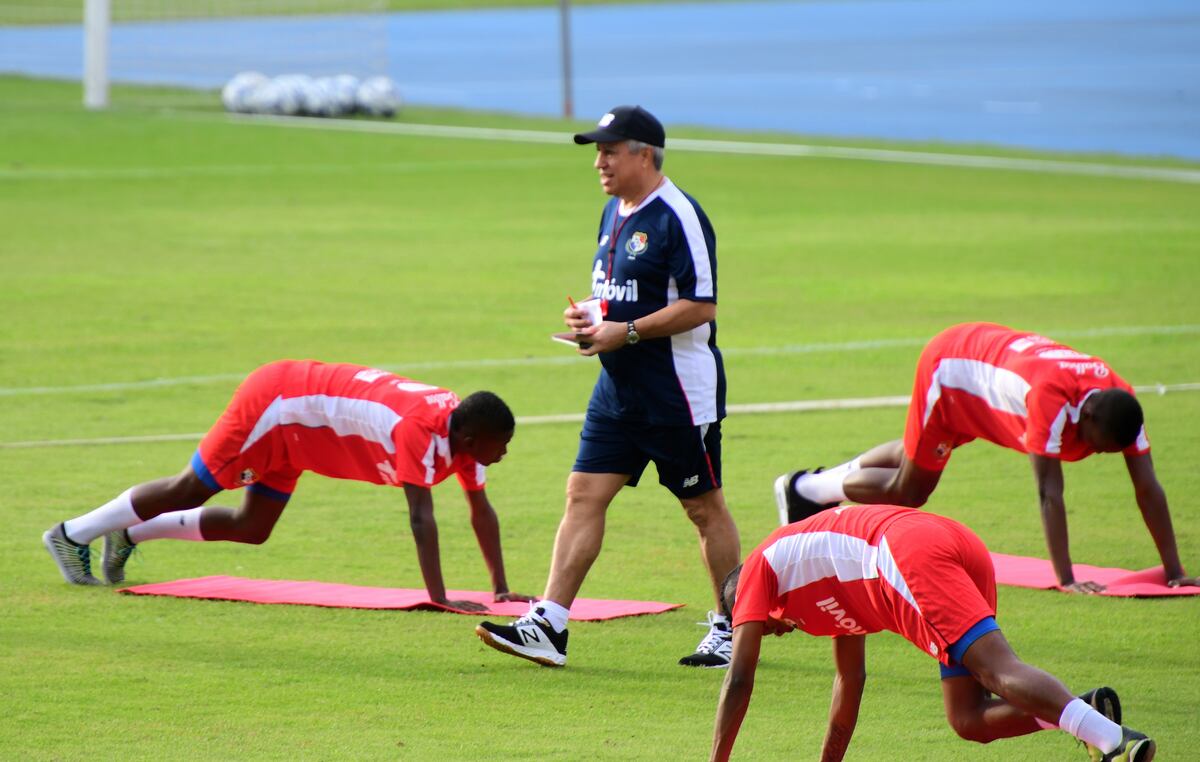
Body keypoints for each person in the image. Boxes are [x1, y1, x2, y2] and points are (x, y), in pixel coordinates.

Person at [474, 105, 741, 667]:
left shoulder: (679, 215)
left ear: (645, 154)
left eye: (610, 151)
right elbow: (620, 294)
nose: (599, 161)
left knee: (703, 508)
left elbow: (702, 304)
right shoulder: (612, 211)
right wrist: (592, 320)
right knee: (582, 494)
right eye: (598, 151)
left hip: (677, 394)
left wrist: (630, 331)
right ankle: (550, 623)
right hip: (618, 391)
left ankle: (731, 626)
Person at [43, 359, 533, 612]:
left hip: (301, 437)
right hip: (278, 403)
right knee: (191, 487)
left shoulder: (463, 438)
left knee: (253, 526)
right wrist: (439, 597)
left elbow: (479, 510)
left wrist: (502, 590)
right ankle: (71, 534)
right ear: (470, 437)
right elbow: (420, 518)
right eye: (502, 444)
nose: (505, 452)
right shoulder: (420, 431)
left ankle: (128, 534)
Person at [710, 503, 1157, 762]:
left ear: (744, 603)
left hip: (905, 550)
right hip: (943, 540)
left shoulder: (759, 570)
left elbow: (739, 679)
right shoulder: (824, 601)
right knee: (968, 718)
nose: (771, 633)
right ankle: (1086, 713)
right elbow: (849, 683)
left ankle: (1115, 741)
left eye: (762, 627)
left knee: (997, 670)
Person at [774, 322, 1197, 592]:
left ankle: (808, 489)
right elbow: (1049, 492)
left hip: (982, 376)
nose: (1098, 454)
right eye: (1097, 445)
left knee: (914, 452)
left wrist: (1174, 570)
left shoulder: (1119, 399)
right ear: (1084, 414)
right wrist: (1066, 579)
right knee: (911, 488)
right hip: (951, 370)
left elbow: (1147, 486)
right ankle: (805, 489)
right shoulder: (1050, 400)